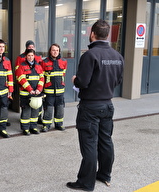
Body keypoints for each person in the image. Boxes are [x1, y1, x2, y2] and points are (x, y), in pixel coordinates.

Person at [67, 19, 124, 191]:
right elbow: (118, 80)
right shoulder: (117, 56)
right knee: (106, 140)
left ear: (92, 34)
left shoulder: (90, 55)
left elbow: (82, 82)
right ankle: (104, 174)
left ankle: (86, 182)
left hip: (90, 107)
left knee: (89, 144)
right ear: (107, 35)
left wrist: (75, 80)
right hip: (107, 105)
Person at [15, 49, 44, 135]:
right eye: (29, 55)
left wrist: (39, 89)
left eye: (32, 55)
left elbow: (42, 78)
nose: (30, 57)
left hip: (36, 93)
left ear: (34, 56)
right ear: (26, 56)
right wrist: (30, 89)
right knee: (26, 111)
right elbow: (21, 79)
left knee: (35, 111)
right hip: (26, 93)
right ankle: (25, 128)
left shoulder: (38, 66)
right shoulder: (21, 66)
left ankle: (33, 127)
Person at [41, 43, 67, 132]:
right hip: (49, 91)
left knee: (60, 108)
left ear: (59, 51)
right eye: (53, 50)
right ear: (50, 51)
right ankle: (46, 125)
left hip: (60, 90)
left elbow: (63, 75)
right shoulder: (44, 62)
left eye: (57, 50)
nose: (55, 52)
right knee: (48, 109)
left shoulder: (64, 61)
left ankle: (59, 124)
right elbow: (42, 77)